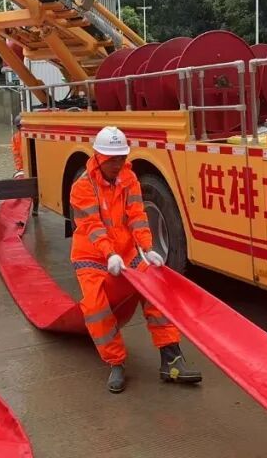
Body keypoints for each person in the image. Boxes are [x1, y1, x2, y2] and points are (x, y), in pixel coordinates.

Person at [69, 126, 202, 393]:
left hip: (127, 251)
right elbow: (92, 226)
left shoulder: (128, 177)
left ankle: (171, 358)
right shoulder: (82, 187)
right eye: (113, 159)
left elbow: (138, 215)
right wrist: (109, 254)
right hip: (92, 256)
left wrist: (147, 248)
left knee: (155, 288)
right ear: (99, 157)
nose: (118, 164)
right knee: (95, 307)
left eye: (121, 158)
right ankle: (115, 363)